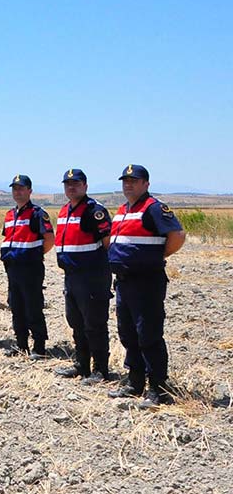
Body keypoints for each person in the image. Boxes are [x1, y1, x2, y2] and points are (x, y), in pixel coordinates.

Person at [107, 164, 186, 407]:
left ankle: (158, 389)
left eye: (134, 180)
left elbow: (178, 235)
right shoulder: (122, 210)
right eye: (125, 180)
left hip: (147, 282)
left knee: (148, 334)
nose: (128, 184)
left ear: (146, 184)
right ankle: (135, 382)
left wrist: (155, 257)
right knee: (128, 333)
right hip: (124, 283)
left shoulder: (153, 208)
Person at [53, 168, 114, 384]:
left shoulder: (94, 210)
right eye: (67, 184)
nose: (71, 187)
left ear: (85, 186)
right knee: (76, 322)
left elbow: (108, 243)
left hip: (92, 277)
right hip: (71, 276)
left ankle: (100, 370)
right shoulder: (64, 211)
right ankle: (82, 365)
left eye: (76, 183)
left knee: (94, 323)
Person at [0, 175, 55, 357]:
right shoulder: (9, 214)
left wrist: (35, 256)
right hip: (12, 268)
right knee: (16, 306)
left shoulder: (38, 213)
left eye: (21, 188)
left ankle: (39, 347)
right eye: (15, 188)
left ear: (30, 191)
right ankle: (21, 345)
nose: (18, 192)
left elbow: (49, 239)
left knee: (33, 306)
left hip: (30, 268)